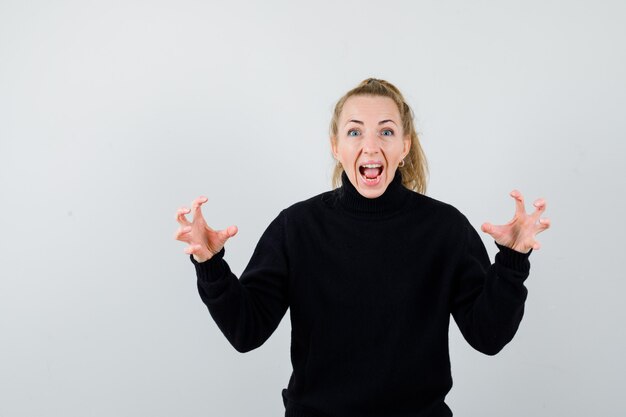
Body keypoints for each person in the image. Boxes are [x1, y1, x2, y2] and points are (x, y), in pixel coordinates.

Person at [174, 78, 550, 417]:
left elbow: (488, 336)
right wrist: (211, 265)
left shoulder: (445, 229)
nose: (370, 145)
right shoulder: (297, 228)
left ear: (404, 146)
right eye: (355, 133)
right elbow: (246, 330)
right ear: (336, 147)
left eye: (386, 132)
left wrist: (512, 262)